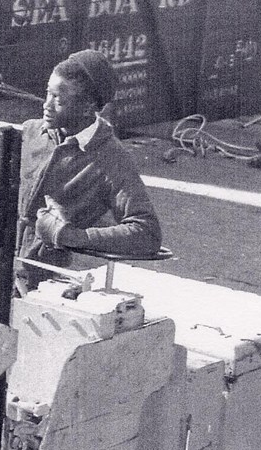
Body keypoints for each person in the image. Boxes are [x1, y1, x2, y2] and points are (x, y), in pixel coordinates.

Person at [16, 48, 162, 290]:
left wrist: (71, 237)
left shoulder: (110, 160)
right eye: (47, 94)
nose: (46, 105)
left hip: (49, 283)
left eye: (58, 99)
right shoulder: (30, 132)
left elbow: (147, 233)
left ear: (88, 107)